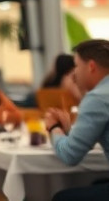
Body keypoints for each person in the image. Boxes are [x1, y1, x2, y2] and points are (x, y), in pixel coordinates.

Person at [47, 40, 109, 201]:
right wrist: (68, 132)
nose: (74, 74)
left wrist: (54, 127)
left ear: (91, 67)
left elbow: (70, 155)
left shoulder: (97, 98)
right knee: (95, 184)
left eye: (76, 66)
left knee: (61, 198)